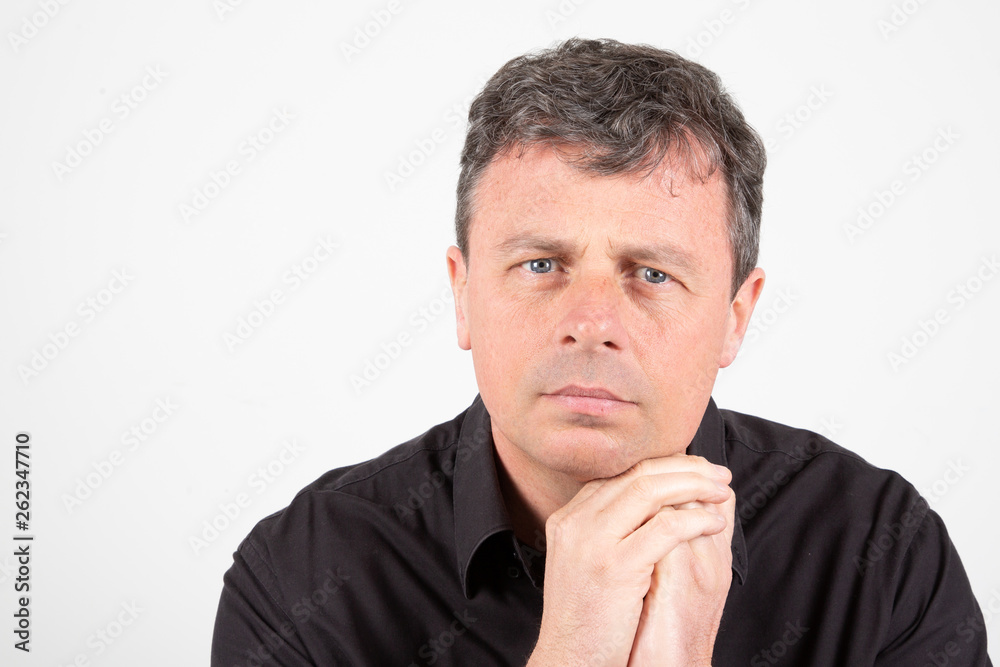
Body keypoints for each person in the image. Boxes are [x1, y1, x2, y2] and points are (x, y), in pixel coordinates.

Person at [211, 38, 992, 666]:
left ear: (734, 316)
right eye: (541, 265)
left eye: (651, 273)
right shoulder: (301, 575)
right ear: (462, 293)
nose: (591, 322)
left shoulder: (881, 554)